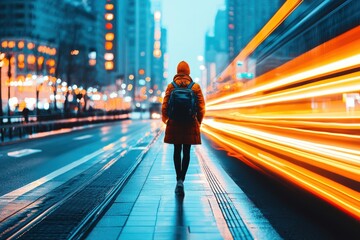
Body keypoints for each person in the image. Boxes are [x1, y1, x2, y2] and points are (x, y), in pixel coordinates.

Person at [162, 61, 205, 195]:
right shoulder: (195, 87)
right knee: (186, 152)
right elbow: (201, 107)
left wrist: (166, 120)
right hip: (189, 122)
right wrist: (198, 121)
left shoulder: (171, 86)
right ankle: (182, 180)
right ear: (188, 72)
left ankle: (178, 180)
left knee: (176, 150)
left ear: (177, 71)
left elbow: (164, 106)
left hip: (175, 122)